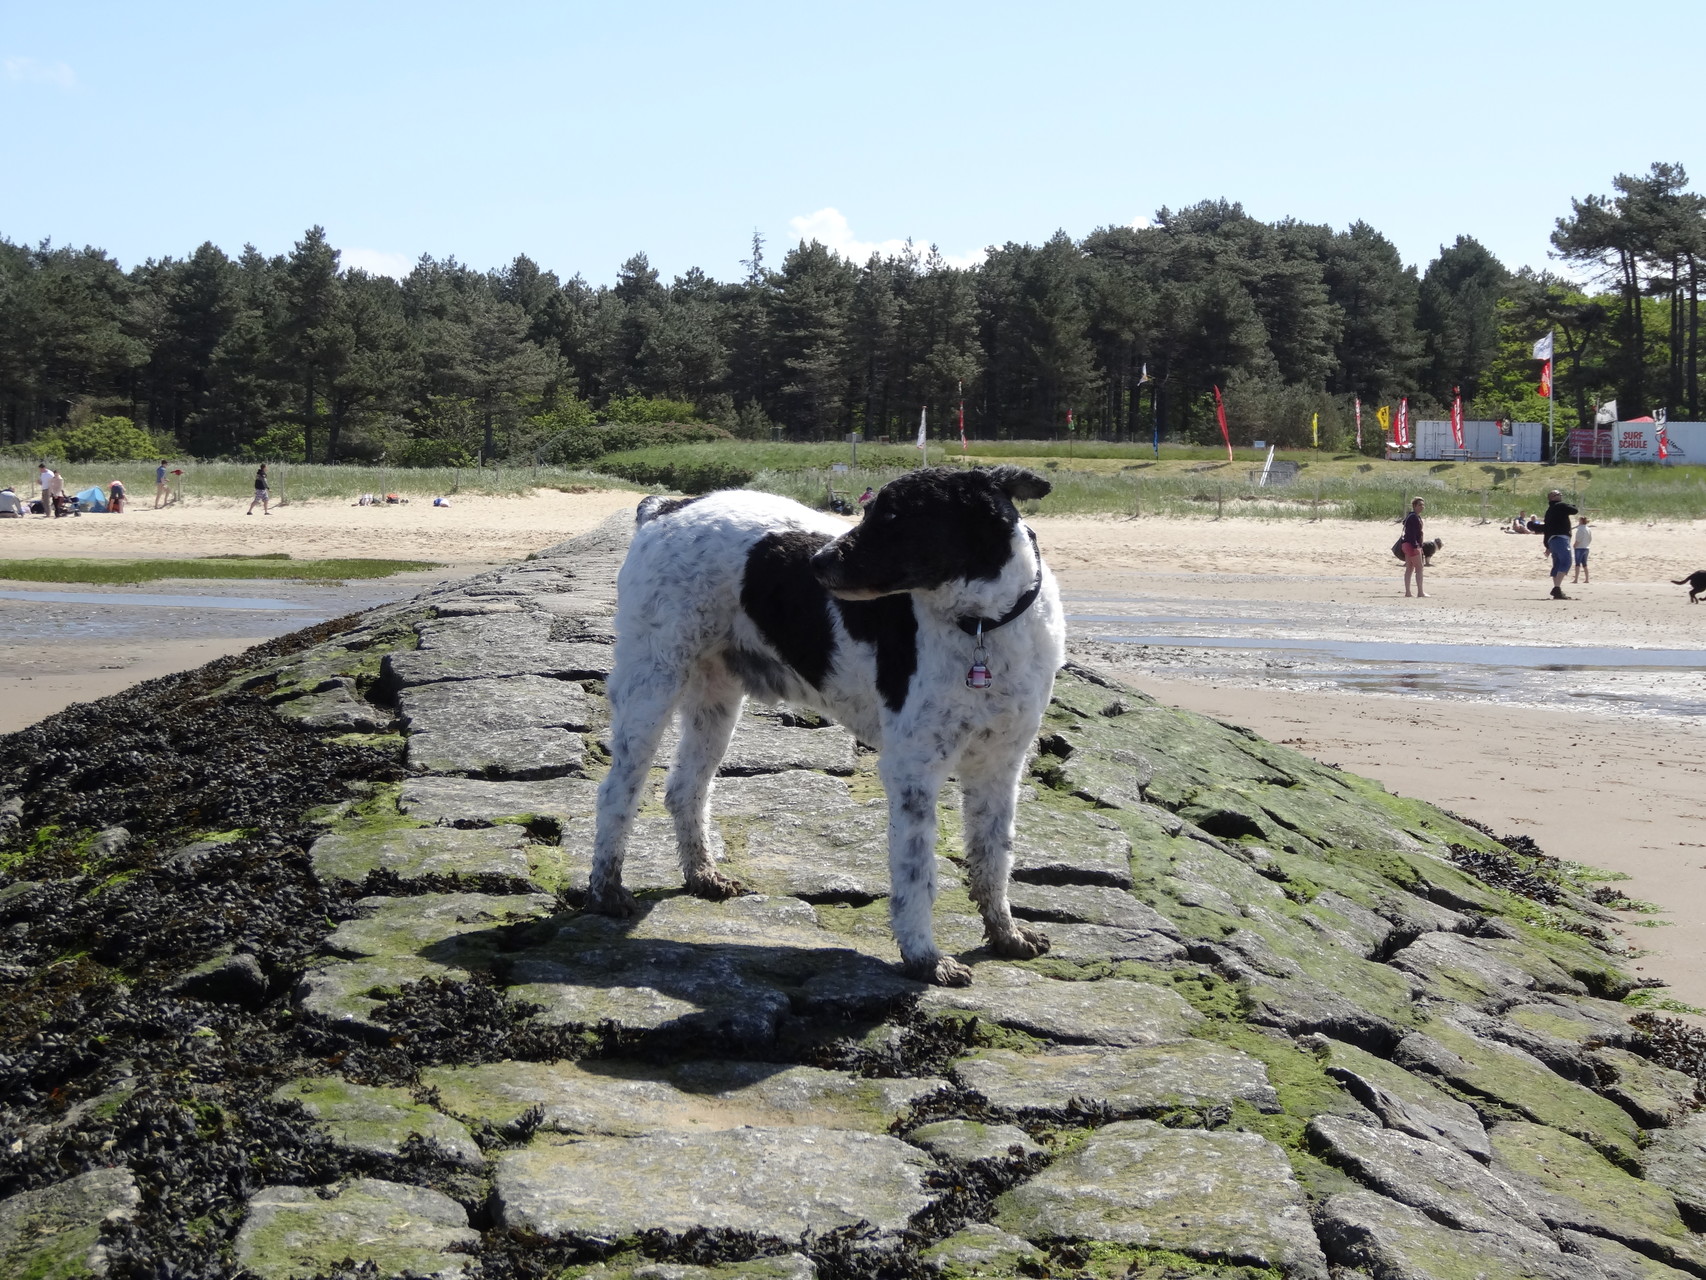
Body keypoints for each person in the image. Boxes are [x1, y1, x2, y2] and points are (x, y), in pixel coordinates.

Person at [1540, 488, 1578, 599]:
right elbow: (1574, 510)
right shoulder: (1560, 506)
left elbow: (1547, 528)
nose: (1560, 495)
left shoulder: (1549, 511)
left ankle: (1557, 589)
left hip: (1552, 540)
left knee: (1557, 564)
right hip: (1561, 539)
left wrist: (1548, 545)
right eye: (1557, 494)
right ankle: (1556, 588)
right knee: (1566, 561)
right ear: (1552, 497)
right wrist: (1569, 504)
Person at [1400, 497, 1428, 597]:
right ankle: (1420, 592)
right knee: (1419, 568)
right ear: (1414, 506)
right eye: (1420, 505)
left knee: (1409, 568)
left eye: (1423, 505)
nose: (1422, 507)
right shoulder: (1414, 517)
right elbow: (1412, 533)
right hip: (1412, 545)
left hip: (1406, 544)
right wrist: (1416, 546)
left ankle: (1408, 592)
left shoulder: (1411, 516)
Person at [1573, 516, 1593, 584]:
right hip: (1586, 547)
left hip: (1579, 547)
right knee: (1585, 564)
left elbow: (1579, 538)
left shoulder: (1580, 529)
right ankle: (1587, 579)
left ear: (1581, 521)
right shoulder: (1588, 529)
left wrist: (1575, 545)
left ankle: (1576, 579)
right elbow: (1590, 538)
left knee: (1577, 564)